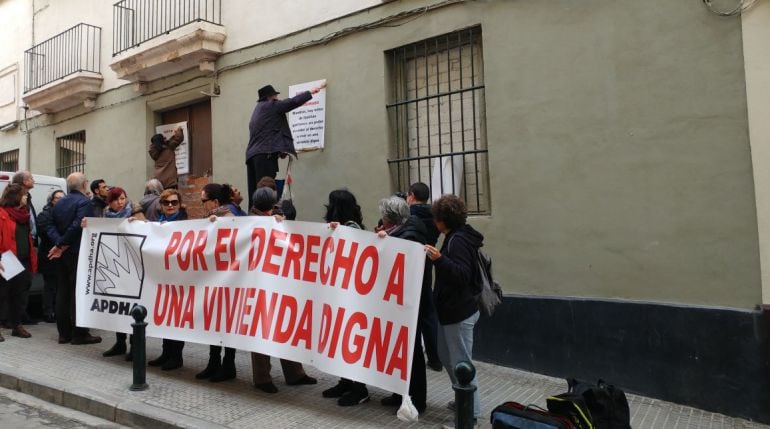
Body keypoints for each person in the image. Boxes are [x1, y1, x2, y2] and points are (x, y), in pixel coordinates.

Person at [249, 186, 317, 393]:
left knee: (286, 327)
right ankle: (262, 378)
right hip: (259, 284)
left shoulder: (276, 219)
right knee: (262, 331)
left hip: (280, 282)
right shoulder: (249, 223)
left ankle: (295, 373)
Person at [424, 195, 484, 427]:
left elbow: (461, 275)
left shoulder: (457, 241)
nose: (434, 222)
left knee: (461, 362)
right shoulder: (456, 236)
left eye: (436, 218)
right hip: (452, 311)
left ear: (443, 220)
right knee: (446, 355)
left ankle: (470, 414)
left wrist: (439, 259)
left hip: (459, 312)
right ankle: (462, 396)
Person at [376, 196, 429, 414]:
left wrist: (385, 241)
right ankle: (398, 393)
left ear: (390, 219)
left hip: (409, 304)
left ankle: (417, 398)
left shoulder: (409, 237)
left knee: (412, 352)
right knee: (398, 350)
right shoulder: (405, 231)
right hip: (399, 303)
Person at [321, 189, 371, 406]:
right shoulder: (342, 227)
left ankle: (360, 389)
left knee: (352, 343)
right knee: (340, 341)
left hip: (352, 298)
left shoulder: (352, 229)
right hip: (340, 295)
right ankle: (346, 381)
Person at [245, 83, 324, 209]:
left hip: (253, 156)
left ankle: (253, 218)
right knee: (266, 191)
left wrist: (279, 150)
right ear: (271, 97)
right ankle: (266, 218)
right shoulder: (271, 106)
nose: (277, 98)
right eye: (275, 96)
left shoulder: (257, 110)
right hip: (265, 155)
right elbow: (291, 102)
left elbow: (269, 133)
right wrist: (310, 92)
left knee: (255, 192)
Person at [47, 172, 101, 345]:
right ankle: (80, 333)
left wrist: (59, 244)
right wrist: (63, 244)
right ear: (84, 185)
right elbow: (78, 225)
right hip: (77, 252)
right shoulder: (84, 202)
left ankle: (63, 334)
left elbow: (51, 226)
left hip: (62, 253)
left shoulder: (59, 203)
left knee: (63, 291)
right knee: (78, 292)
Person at [196, 183, 238, 382]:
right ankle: (214, 362)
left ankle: (228, 365)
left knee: (226, 325)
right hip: (212, 280)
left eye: (204, 200)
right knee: (214, 324)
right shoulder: (209, 220)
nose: (202, 204)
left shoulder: (229, 219)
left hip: (228, 282)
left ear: (215, 202)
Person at [146, 189, 187, 370]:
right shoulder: (157, 224)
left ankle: (176, 357)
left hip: (179, 279)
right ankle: (166, 353)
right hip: (161, 278)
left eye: (174, 203)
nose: (170, 206)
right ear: (161, 206)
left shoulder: (187, 224)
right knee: (165, 316)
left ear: (179, 204)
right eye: (166, 203)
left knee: (177, 318)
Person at [101, 187, 144, 360]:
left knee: (133, 309)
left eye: (123, 198)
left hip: (133, 266)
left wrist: (138, 224)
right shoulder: (105, 216)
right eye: (117, 199)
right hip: (114, 265)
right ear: (110, 202)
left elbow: (148, 232)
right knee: (118, 307)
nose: (121, 202)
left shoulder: (136, 213)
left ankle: (135, 345)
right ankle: (120, 342)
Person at [406, 182, 442, 371]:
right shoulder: (435, 215)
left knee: (412, 310)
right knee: (428, 312)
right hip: (427, 263)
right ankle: (435, 358)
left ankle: (413, 353)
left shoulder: (409, 216)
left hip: (410, 265)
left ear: (411, 195)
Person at [0, 184, 37, 340]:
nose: (26, 197)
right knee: (1, 295)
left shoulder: (24, 214)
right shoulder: (2, 214)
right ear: (15, 197)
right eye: (23, 195)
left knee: (20, 295)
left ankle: (17, 325)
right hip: (6, 259)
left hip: (23, 260)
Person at [11, 171, 38, 325]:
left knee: (24, 284)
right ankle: (13, 319)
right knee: (13, 287)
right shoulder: (9, 208)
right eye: (31, 178)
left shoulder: (28, 198)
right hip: (12, 252)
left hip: (27, 248)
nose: (33, 180)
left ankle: (20, 317)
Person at [36, 190, 64, 324]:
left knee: (60, 285)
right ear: (51, 200)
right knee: (50, 285)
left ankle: (58, 311)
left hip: (63, 254)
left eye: (62, 198)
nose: (59, 201)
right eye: (57, 198)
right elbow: (45, 233)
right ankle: (48, 312)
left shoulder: (66, 213)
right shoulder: (44, 215)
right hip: (49, 254)